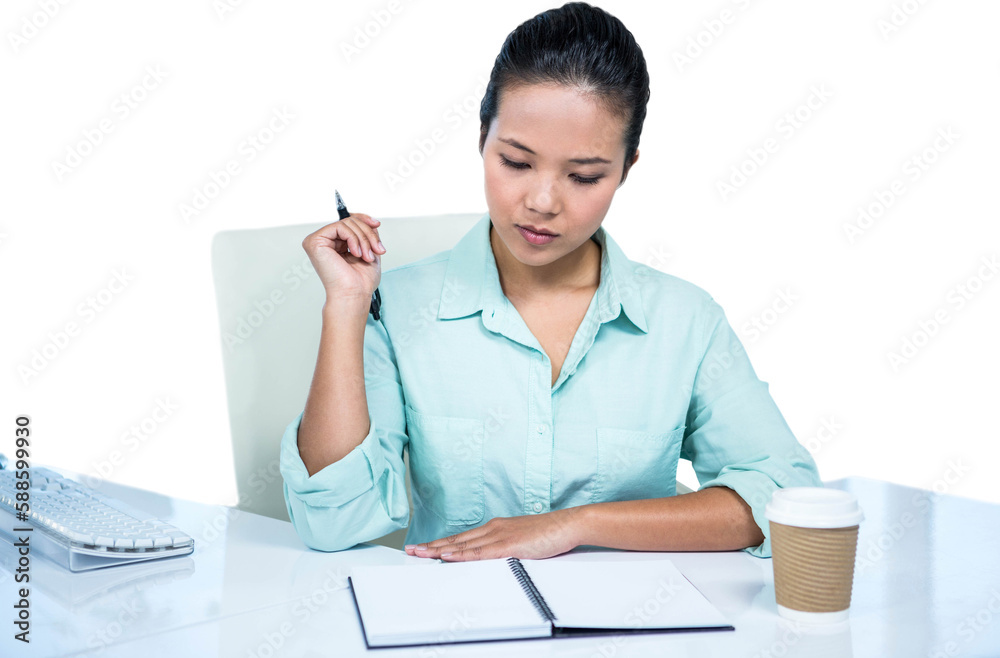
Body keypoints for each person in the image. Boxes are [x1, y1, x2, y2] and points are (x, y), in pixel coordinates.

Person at [279, 1, 821, 562]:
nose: (542, 202)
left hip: (637, 614)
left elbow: (786, 496)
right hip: (458, 612)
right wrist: (346, 305)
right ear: (483, 137)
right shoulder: (396, 308)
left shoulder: (685, 321)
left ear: (626, 169)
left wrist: (575, 525)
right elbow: (332, 522)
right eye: (516, 162)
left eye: (583, 176)